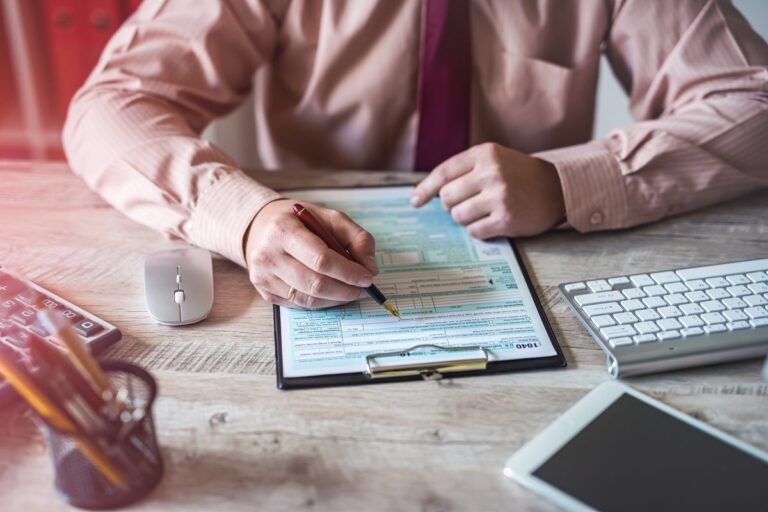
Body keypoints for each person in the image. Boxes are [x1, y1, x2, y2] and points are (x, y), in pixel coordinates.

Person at [64, 0, 768, 310]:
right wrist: (244, 220)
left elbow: (755, 104)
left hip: (549, 268)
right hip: (307, 277)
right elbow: (109, 107)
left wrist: (565, 182)